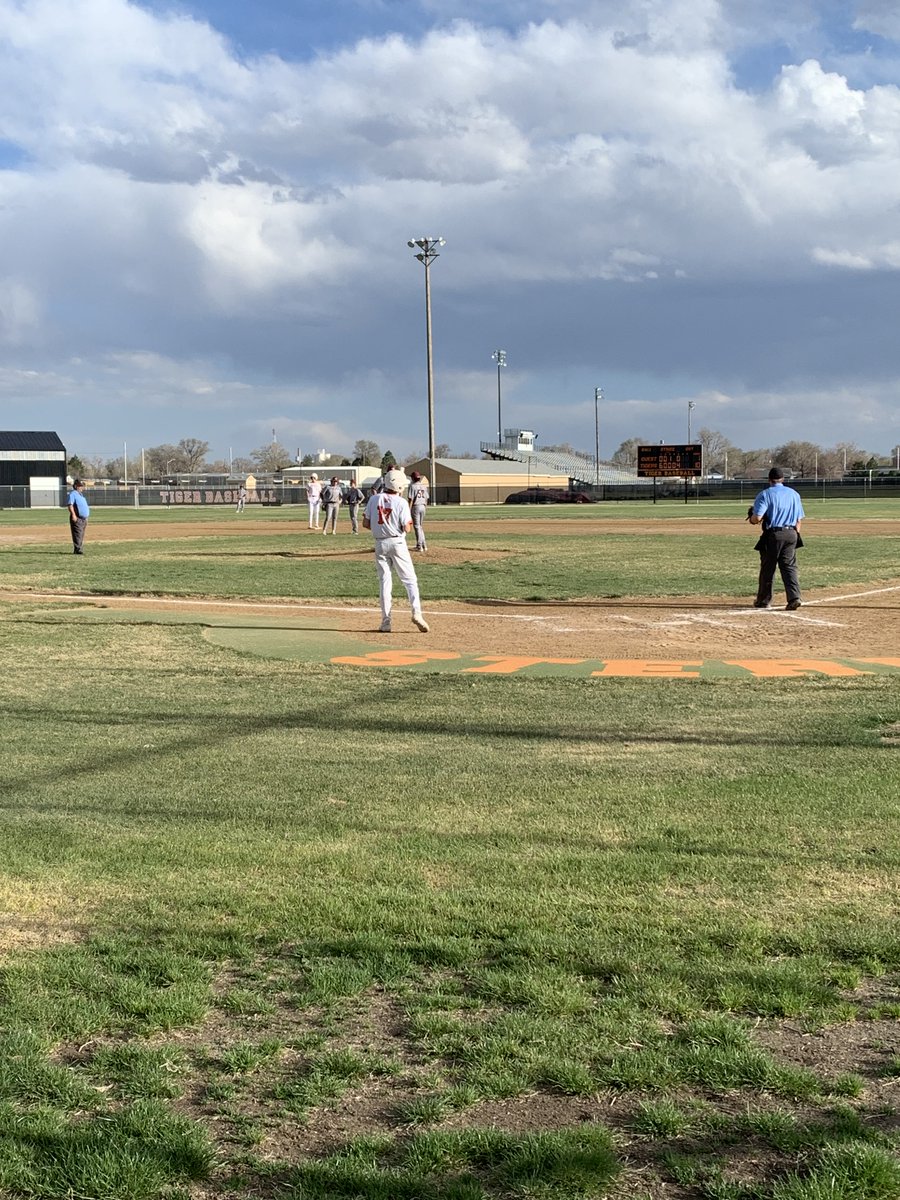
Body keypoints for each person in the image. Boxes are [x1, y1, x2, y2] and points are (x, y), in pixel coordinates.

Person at [363, 468, 429, 634]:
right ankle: (417, 613)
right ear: (399, 486)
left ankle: (386, 622)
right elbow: (407, 528)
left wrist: (382, 526)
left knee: (385, 582)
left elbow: (365, 523)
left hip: (380, 544)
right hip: (398, 543)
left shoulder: (374, 499)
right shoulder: (401, 503)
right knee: (410, 580)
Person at [748, 466, 805, 610]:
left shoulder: (765, 494)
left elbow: (757, 518)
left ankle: (764, 601)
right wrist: (796, 535)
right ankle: (794, 598)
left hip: (774, 534)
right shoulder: (794, 494)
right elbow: (799, 519)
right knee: (789, 567)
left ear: (769, 480)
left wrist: (752, 517)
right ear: (783, 480)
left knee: (768, 568)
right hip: (792, 533)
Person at [67, 479, 90, 555]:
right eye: (80, 486)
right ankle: (78, 549)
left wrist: (86, 517)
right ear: (76, 486)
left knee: (81, 534)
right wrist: (73, 515)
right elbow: (70, 505)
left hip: (83, 519)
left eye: (82, 486)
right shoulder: (73, 494)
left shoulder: (80, 495)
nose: (82, 487)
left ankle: (78, 548)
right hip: (77, 518)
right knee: (77, 534)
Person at [408, 471, 430, 551]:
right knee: (420, 526)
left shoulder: (412, 486)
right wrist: (425, 507)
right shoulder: (424, 486)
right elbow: (426, 498)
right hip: (423, 506)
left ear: (413, 478)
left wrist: (408, 509)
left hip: (416, 506)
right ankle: (424, 545)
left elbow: (411, 499)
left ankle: (419, 545)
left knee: (417, 526)